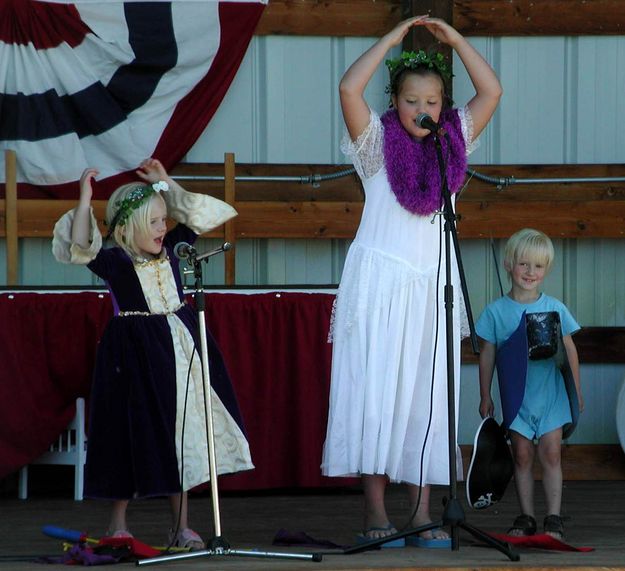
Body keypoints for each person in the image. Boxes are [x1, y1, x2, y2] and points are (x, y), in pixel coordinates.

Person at [321, 15, 502, 546]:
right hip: (380, 286)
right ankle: (376, 513)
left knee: (426, 398)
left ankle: (422, 513)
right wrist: (394, 40)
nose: (423, 110)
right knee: (375, 394)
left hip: (432, 286)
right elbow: (348, 87)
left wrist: (456, 41)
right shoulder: (375, 144)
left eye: (433, 101)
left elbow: (491, 90)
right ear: (394, 102)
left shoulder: (453, 145)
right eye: (411, 100)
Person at [52, 158, 254, 549]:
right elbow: (80, 245)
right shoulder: (115, 261)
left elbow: (201, 215)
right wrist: (84, 199)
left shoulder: (177, 252)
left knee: (179, 433)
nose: (164, 228)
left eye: (164, 220)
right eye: (155, 222)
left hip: (178, 350)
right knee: (128, 431)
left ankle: (180, 526)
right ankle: (117, 524)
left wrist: (165, 183)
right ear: (129, 227)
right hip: (131, 354)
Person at [476, 228, 584, 539]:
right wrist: (485, 395)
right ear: (508, 265)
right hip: (516, 399)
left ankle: (553, 518)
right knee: (521, 455)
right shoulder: (496, 312)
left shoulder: (554, 307)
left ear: (546, 270)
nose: (530, 272)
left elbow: (570, 350)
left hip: (550, 395)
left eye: (538, 266)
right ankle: (526, 517)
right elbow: (487, 355)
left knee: (551, 453)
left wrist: (576, 391)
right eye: (524, 264)